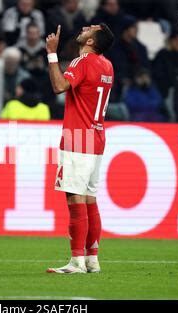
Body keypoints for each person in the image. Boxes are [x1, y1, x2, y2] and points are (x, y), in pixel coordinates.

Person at [45, 23, 115, 274]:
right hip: (96, 137)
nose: (85, 28)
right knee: (89, 200)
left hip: (78, 137)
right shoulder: (107, 66)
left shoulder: (82, 62)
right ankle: (92, 259)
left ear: (91, 42)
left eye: (91, 29)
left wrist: (52, 53)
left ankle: (76, 262)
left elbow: (59, 86)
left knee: (74, 199)